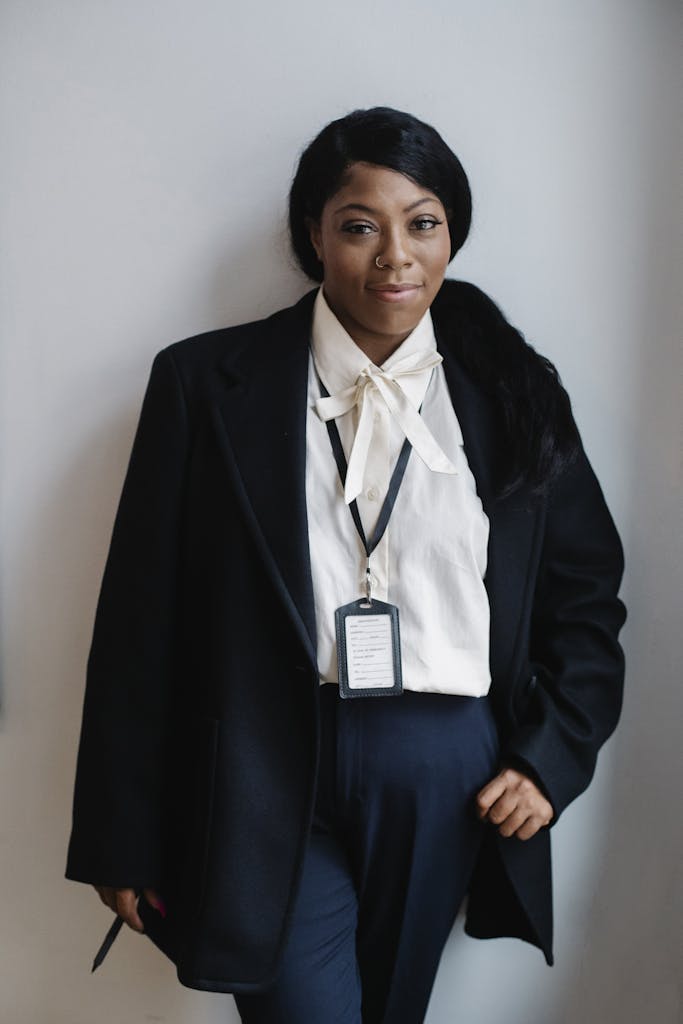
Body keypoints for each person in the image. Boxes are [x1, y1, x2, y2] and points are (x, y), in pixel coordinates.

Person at [65, 107, 626, 1024]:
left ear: (453, 234)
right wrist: (121, 834)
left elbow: (584, 598)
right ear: (313, 237)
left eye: (423, 223)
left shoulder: (515, 390)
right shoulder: (205, 385)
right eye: (360, 225)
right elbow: (140, 623)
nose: (394, 256)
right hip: (260, 759)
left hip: (450, 769)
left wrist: (550, 756)